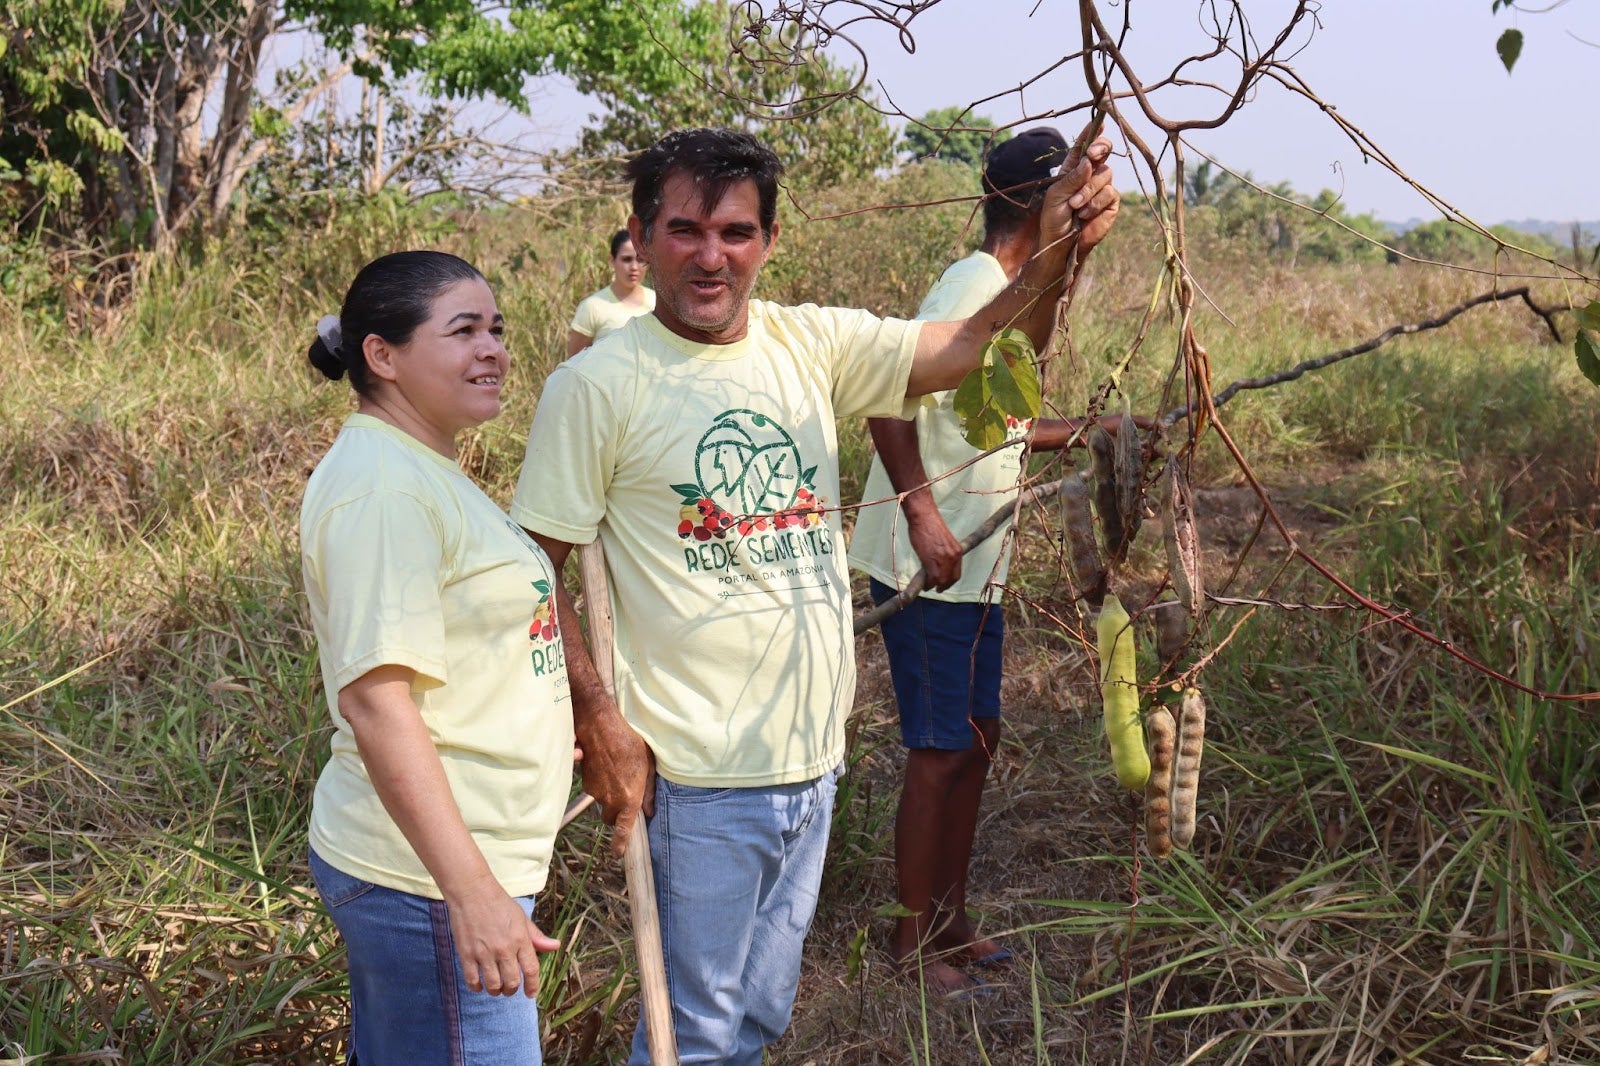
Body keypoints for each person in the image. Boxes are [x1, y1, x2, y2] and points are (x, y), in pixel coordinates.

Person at [510, 126, 1117, 1063]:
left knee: (755, 1020)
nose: (712, 257)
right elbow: (531, 568)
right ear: (642, 233)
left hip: (809, 761)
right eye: (685, 230)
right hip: (698, 774)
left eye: (737, 233)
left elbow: (971, 346)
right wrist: (598, 720)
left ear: (770, 240)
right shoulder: (596, 386)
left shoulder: (810, 341)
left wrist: (1059, 241)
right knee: (694, 1032)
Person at [851, 127, 1132, 997]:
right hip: (928, 562)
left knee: (978, 740)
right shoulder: (972, 286)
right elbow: (886, 398)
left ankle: (953, 920)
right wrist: (924, 513)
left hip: (979, 567)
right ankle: (910, 945)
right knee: (939, 753)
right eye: (1074, 196)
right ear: (1039, 202)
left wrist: (1090, 433)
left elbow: (996, 416)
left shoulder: (1021, 288)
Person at [300, 250, 573, 1064]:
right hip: (428, 882)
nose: (492, 349)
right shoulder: (384, 490)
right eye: (462, 331)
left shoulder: (423, 466)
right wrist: (474, 895)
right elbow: (378, 704)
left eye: (496, 329)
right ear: (382, 356)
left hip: (445, 870)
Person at [567, 229, 656, 356]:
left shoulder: (657, 303)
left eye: (640, 259)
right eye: (627, 259)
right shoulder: (592, 307)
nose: (634, 267)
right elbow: (574, 362)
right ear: (612, 260)